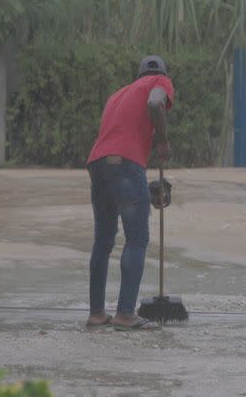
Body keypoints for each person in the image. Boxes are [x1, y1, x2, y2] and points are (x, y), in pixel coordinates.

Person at [84, 55, 174, 330]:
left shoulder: (116, 96)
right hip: (125, 164)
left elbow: (117, 179)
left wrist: (146, 191)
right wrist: (162, 140)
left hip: (98, 164)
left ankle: (97, 313)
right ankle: (124, 313)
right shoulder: (159, 82)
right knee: (136, 237)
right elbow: (155, 102)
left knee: (103, 240)